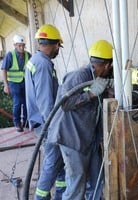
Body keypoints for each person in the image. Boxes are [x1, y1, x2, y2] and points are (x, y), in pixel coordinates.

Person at [47, 40, 113, 200]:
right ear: (106, 66)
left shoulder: (98, 78)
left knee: (97, 180)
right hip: (72, 139)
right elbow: (65, 103)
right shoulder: (79, 76)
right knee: (76, 184)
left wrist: (107, 93)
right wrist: (90, 94)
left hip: (88, 139)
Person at [25, 24, 66, 200]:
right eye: (58, 46)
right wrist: (53, 127)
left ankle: (62, 195)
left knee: (59, 164)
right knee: (53, 161)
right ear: (54, 44)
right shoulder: (43, 65)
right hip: (46, 123)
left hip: (39, 121)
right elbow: (45, 102)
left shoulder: (35, 60)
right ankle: (40, 197)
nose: (58, 50)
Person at [1, 34, 31, 132]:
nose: (22, 47)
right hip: (13, 83)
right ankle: (17, 123)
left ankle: (26, 122)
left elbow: (31, 69)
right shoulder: (10, 55)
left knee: (27, 103)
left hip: (25, 82)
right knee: (17, 102)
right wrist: (6, 85)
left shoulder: (28, 55)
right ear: (15, 45)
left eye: (23, 45)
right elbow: (4, 70)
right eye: (19, 45)